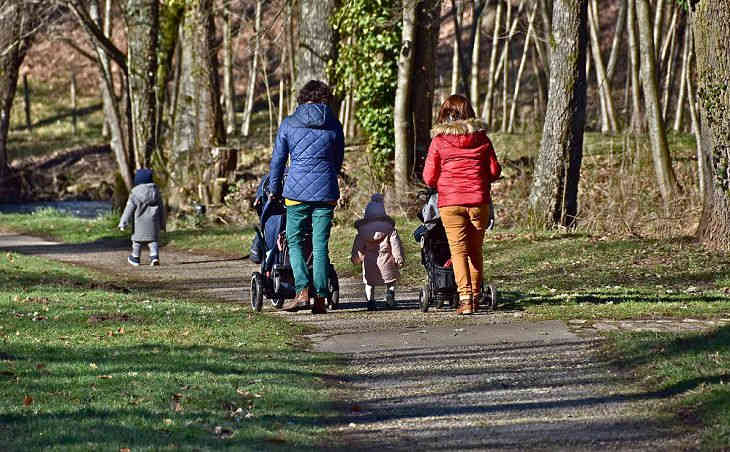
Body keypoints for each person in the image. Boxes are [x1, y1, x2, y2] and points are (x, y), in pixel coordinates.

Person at [268, 80, 345, 314]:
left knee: (295, 241)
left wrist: (274, 189)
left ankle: (302, 291)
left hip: (296, 193)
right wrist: (329, 175)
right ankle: (320, 298)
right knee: (320, 245)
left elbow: (278, 161)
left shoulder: (289, 123)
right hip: (325, 192)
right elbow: (338, 159)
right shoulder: (333, 123)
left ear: (301, 98)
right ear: (325, 99)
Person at [422, 94, 501, 315]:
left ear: (444, 114)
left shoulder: (439, 141)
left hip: (450, 203)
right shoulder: (482, 139)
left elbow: (429, 178)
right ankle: (476, 296)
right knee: (475, 251)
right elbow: (495, 171)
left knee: (458, 251)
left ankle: (465, 299)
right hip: (478, 202)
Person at [351, 193, 405, 311]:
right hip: (387, 259)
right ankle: (390, 297)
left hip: (370, 261)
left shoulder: (362, 232)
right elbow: (395, 245)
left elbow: (358, 247)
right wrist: (398, 258)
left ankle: (370, 301)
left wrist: (357, 258)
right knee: (390, 281)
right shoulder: (390, 229)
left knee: (369, 283)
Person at [119, 168, 166, 266]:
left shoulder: (135, 193)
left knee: (136, 242)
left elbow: (129, 209)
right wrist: (162, 224)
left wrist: (123, 222)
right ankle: (154, 257)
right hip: (153, 223)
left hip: (139, 224)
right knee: (153, 241)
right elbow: (162, 210)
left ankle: (135, 258)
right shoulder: (156, 192)